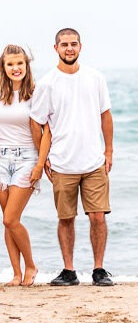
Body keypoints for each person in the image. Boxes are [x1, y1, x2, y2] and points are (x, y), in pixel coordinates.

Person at [30, 28, 114, 286]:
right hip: (62, 162)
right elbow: (37, 123)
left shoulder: (95, 78)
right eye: (64, 44)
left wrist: (108, 150)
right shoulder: (47, 83)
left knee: (97, 216)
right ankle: (69, 270)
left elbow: (105, 116)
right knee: (66, 218)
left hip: (93, 162)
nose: (69, 48)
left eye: (73, 44)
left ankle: (99, 269)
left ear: (80, 47)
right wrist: (43, 158)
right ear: (55, 48)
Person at [0, 45, 50, 286]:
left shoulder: (37, 94)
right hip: (0, 160)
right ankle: (16, 272)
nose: (15, 68)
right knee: (7, 219)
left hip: (27, 159)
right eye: (10, 64)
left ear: (27, 66)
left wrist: (40, 164)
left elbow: (47, 133)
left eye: (19, 64)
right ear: (3, 68)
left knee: (10, 219)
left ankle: (31, 265)